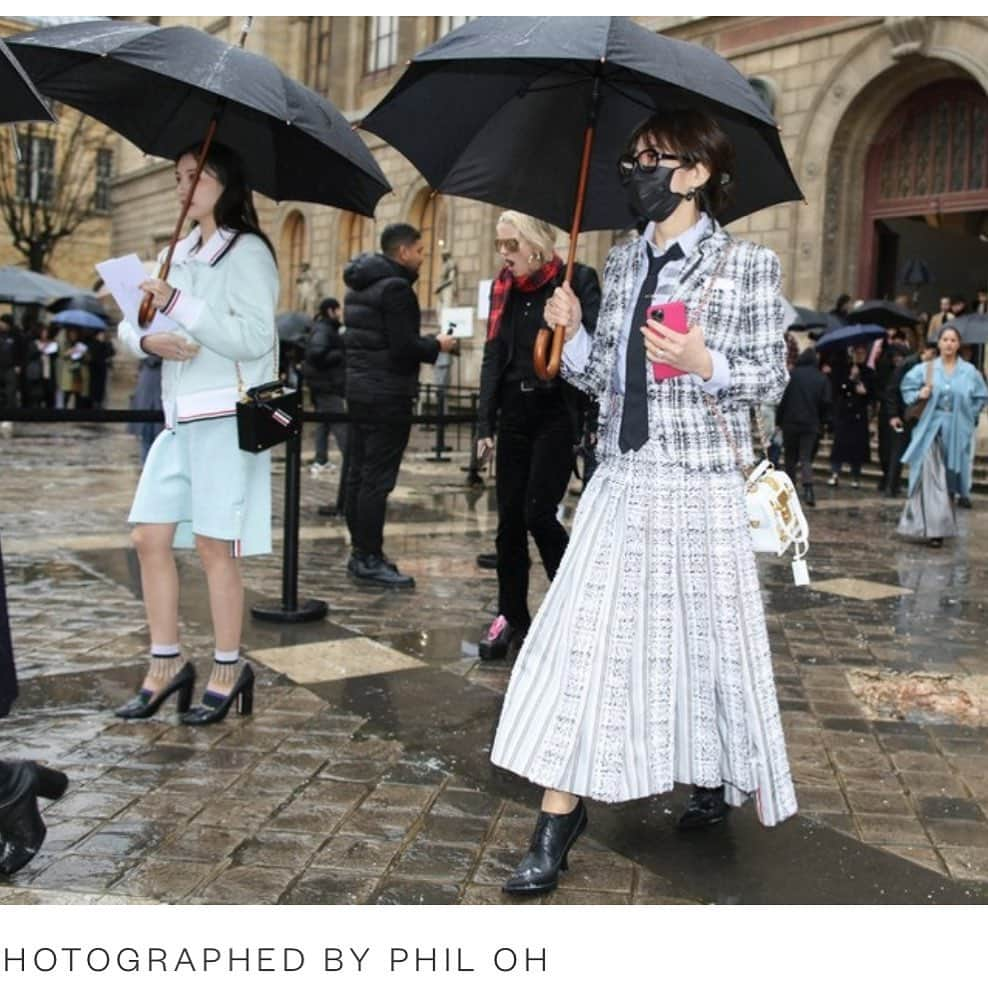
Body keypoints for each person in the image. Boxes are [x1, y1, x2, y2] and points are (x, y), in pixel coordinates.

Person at [489, 108, 797, 896]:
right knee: (582, 638)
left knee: (704, 642)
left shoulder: (747, 265)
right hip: (621, 484)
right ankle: (559, 815)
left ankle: (710, 771)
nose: (635, 172)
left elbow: (770, 380)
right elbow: (602, 385)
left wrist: (705, 360)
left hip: (699, 488)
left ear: (695, 172)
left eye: (651, 159)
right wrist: (578, 335)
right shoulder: (622, 264)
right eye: (630, 160)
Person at [115, 141, 278, 725]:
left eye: (196, 175)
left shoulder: (249, 252)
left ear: (225, 182)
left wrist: (180, 304)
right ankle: (165, 664)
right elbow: (130, 327)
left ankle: (229, 667)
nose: (184, 186)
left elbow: (255, 338)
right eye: (179, 176)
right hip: (178, 420)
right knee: (148, 538)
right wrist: (146, 340)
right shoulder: (173, 252)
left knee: (214, 548)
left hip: (227, 419)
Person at [475, 212, 601, 660]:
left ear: (534, 244)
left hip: (555, 413)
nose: (504, 255)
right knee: (508, 521)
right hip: (513, 413)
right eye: (499, 246)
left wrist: (575, 319)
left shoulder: (575, 282)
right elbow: (494, 358)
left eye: (510, 245)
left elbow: (595, 353)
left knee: (537, 513)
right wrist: (484, 424)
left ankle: (573, 606)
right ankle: (512, 614)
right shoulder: (503, 290)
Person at [342, 223, 458, 588]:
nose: (424, 258)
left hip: (359, 391)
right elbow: (403, 348)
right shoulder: (396, 289)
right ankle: (368, 557)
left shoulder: (359, 286)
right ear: (404, 251)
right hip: (388, 394)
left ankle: (361, 552)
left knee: (358, 474)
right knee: (376, 480)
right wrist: (437, 344)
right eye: (421, 251)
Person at [898, 326, 988, 545]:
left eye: (953, 340)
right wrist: (920, 393)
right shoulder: (926, 369)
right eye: (945, 339)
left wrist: (969, 416)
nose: (948, 344)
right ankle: (933, 529)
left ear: (959, 344)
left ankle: (940, 523)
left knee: (948, 475)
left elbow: (980, 396)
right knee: (930, 474)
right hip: (930, 427)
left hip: (956, 428)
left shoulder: (969, 372)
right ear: (938, 343)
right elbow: (906, 387)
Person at [777, 346, 830, 506]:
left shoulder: (791, 376)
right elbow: (826, 402)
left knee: (790, 458)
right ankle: (808, 491)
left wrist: (778, 421)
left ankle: (790, 490)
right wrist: (823, 422)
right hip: (811, 423)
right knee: (806, 457)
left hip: (790, 422)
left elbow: (783, 400)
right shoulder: (821, 378)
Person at [827, 343, 874, 488]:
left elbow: (872, 393)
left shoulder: (869, 372)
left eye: (862, 353)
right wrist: (849, 380)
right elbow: (837, 390)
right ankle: (835, 473)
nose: (859, 356)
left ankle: (856, 477)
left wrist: (863, 389)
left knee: (857, 449)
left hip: (859, 415)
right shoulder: (843, 369)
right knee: (839, 446)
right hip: (844, 414)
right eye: (857, 353)